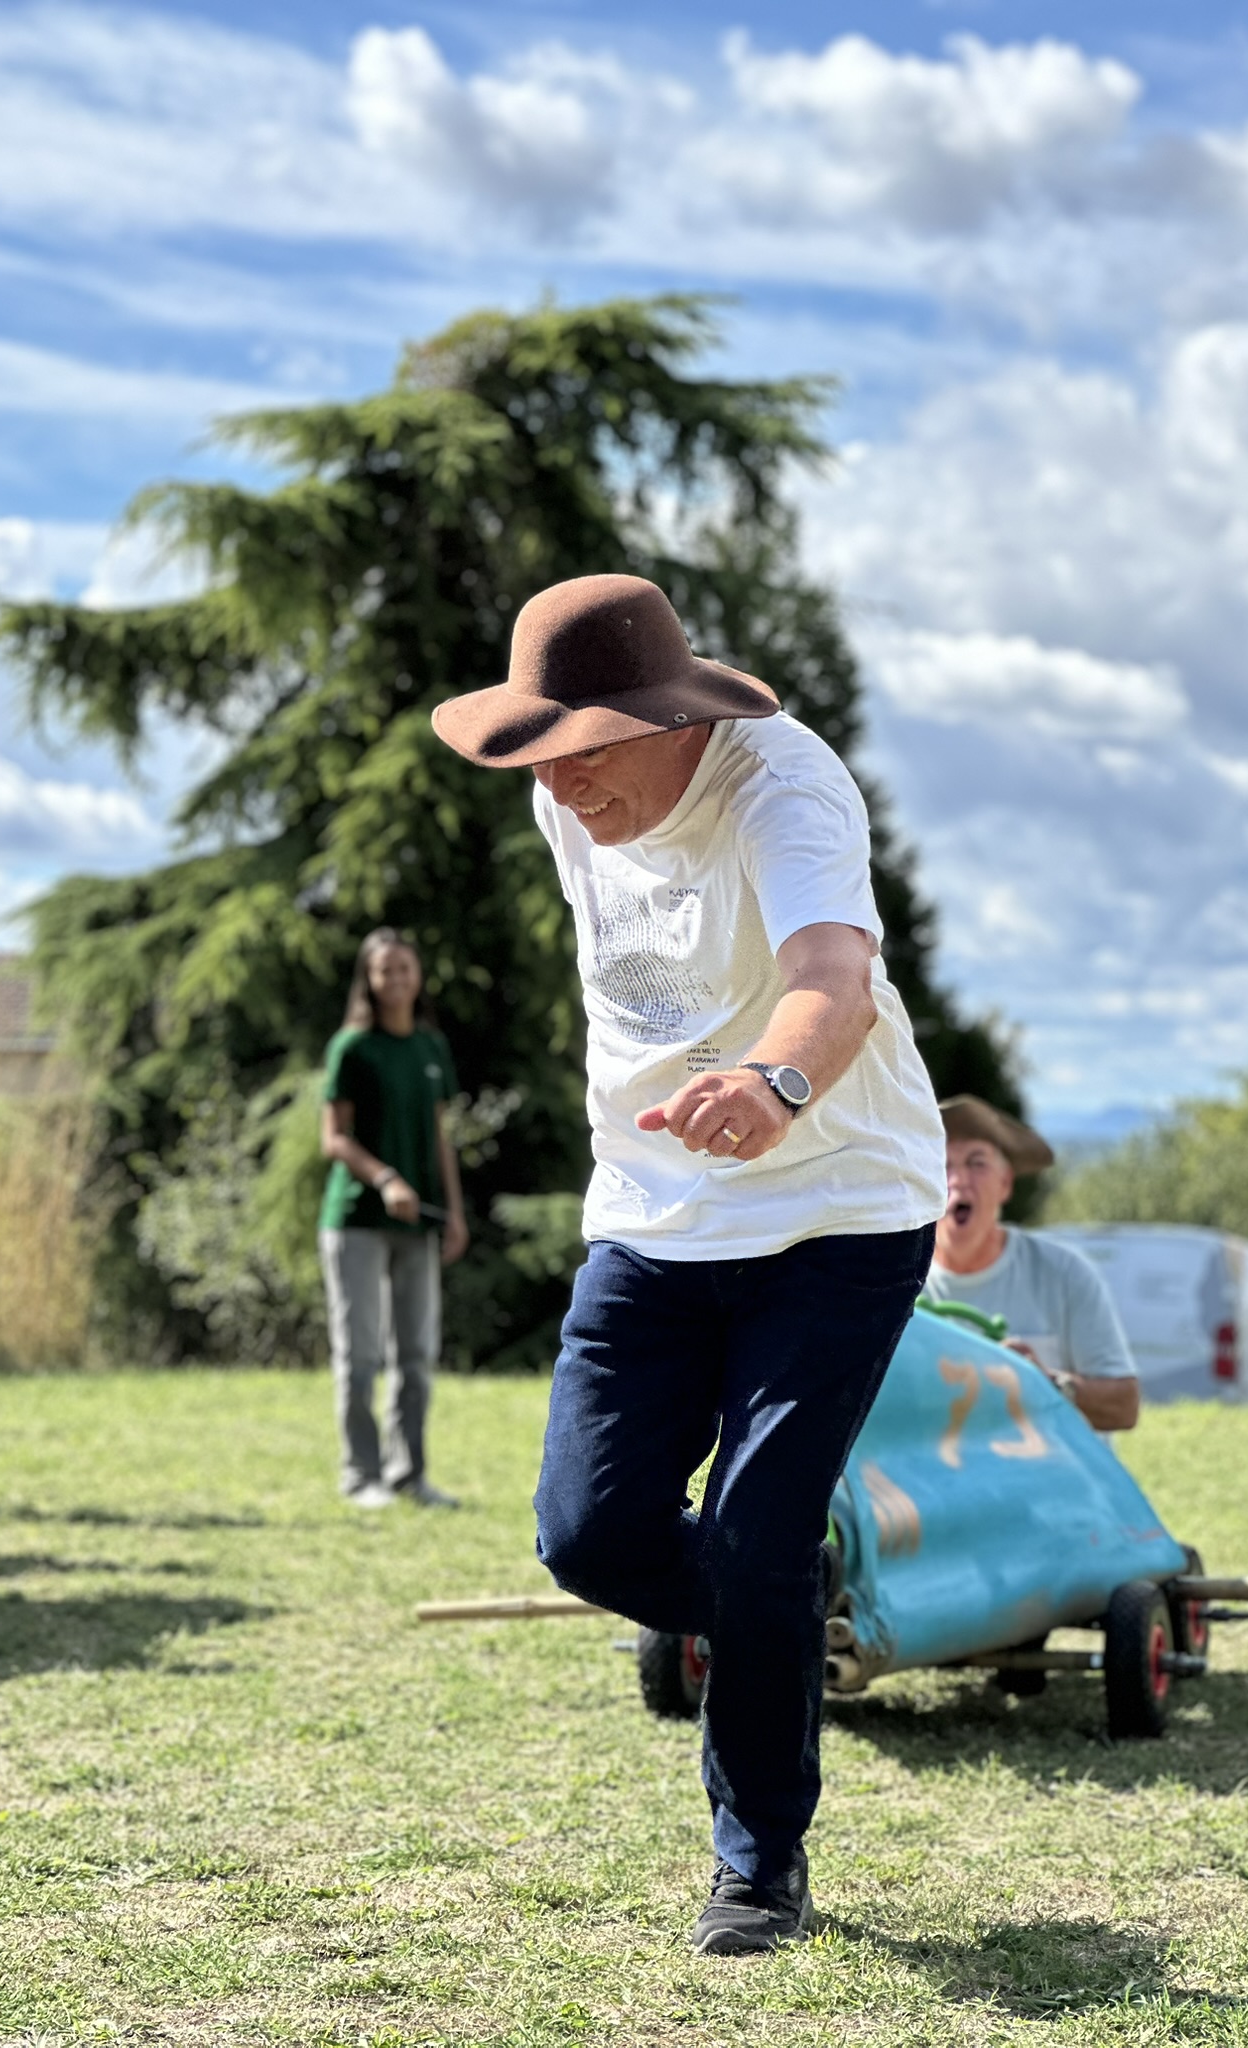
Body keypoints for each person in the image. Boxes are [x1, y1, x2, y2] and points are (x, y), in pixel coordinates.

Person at [431, 573, 945, 1957]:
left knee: (757, 1530)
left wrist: (774, 1083)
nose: (560, 783)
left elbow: (832, 974)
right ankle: (781, 1595)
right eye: (539, 754)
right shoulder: (569, 792)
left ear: (671, 721)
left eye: (585, 750)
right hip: (654, 1210)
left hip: (836, 1204)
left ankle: (759, 1863)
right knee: (588, 1532)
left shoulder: (784, 786)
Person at [319, 928, 470, 1508]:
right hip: (355, 1220)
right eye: (385, 969)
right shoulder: (352, 1048)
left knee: (416, 1355)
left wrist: (453, 1213)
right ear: (369, 978)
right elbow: (333, 1138)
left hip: (419, 1223)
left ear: (418, 974)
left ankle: (409, 1474)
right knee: (359, 1355)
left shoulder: (430, 1047)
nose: (396, 978)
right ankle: (362, 1476)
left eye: (404, 967)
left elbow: (439, 1138)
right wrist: (384, 1179)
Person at [923, 1095, 1139, 1433]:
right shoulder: (893, 1284)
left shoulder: (1063, 1273)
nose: (958, 1179)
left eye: (976, 1163)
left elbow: (1124, 1407)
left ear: (1005, 1184)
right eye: (941, 1164)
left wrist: (1045, 1385)